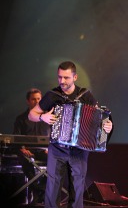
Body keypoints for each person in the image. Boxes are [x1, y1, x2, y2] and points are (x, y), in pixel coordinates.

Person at [28, 61, 113, 208]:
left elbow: (100, 117)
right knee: (53, 189)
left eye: (66, 78)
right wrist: (43, 117)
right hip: (57, 148)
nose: (62, 81)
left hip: (79, 150)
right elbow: (31, 114)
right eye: (59, 77)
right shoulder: (52, 95)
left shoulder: (85, 95)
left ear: (75, 77)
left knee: (77, 189)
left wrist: (108, 125)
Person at [13, 88, 50, 205]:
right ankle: (37, 190)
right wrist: (22, 149)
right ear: (28, 101)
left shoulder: (48, 118)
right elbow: (16, 138)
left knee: (59, 161)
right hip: (27, 152)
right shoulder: (20, 119)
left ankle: (41, 189)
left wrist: (50, 150)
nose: (37, 101)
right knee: (23, 157)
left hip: (44, 151)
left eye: (39, 99)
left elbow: (55, 138)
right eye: (33, 99)